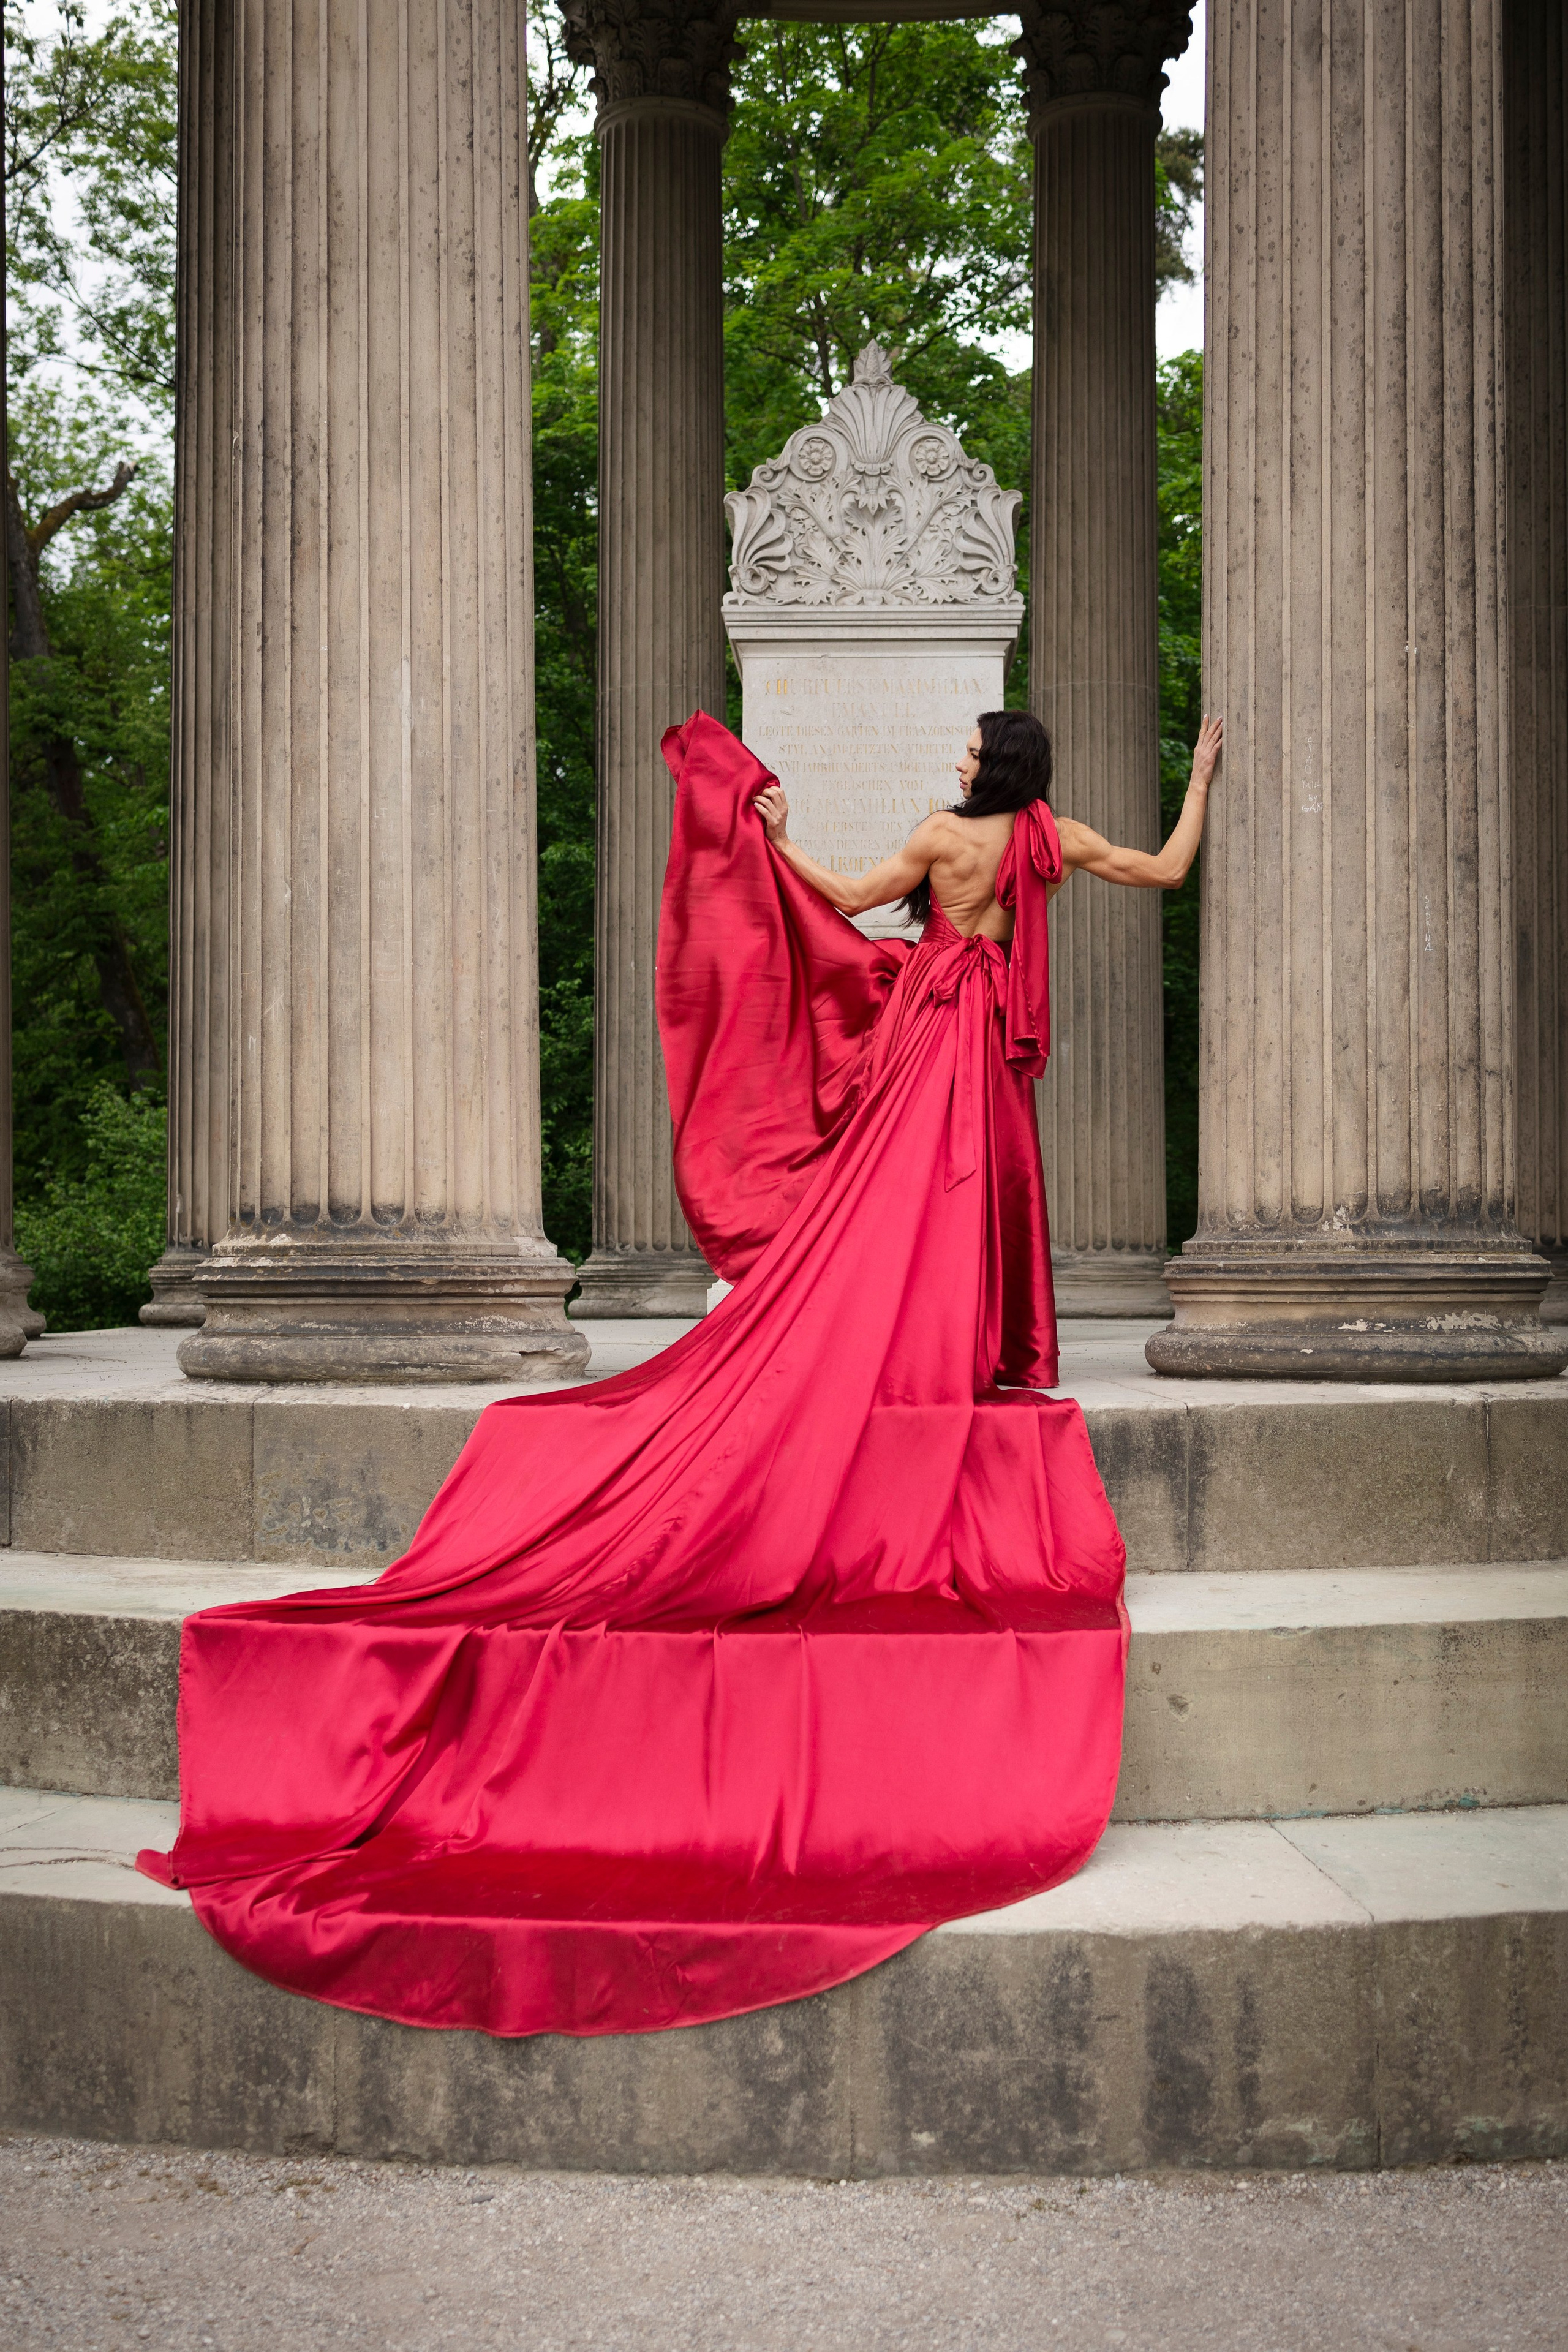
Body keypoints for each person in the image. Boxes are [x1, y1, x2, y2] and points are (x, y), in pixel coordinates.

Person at [140, 706, 1221, 2042]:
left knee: (895, 1205)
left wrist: (769, 838)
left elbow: (840, 896)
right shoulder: (1051, 843)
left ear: (987, 767)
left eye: (964, 750)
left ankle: (908, 1342)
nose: (950, 763)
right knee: (974, 1188)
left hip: (928, 1031)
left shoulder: (948, 840)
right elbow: (1168, 872)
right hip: (984, 1033)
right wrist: (1203, 777)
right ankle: (979, 1349)